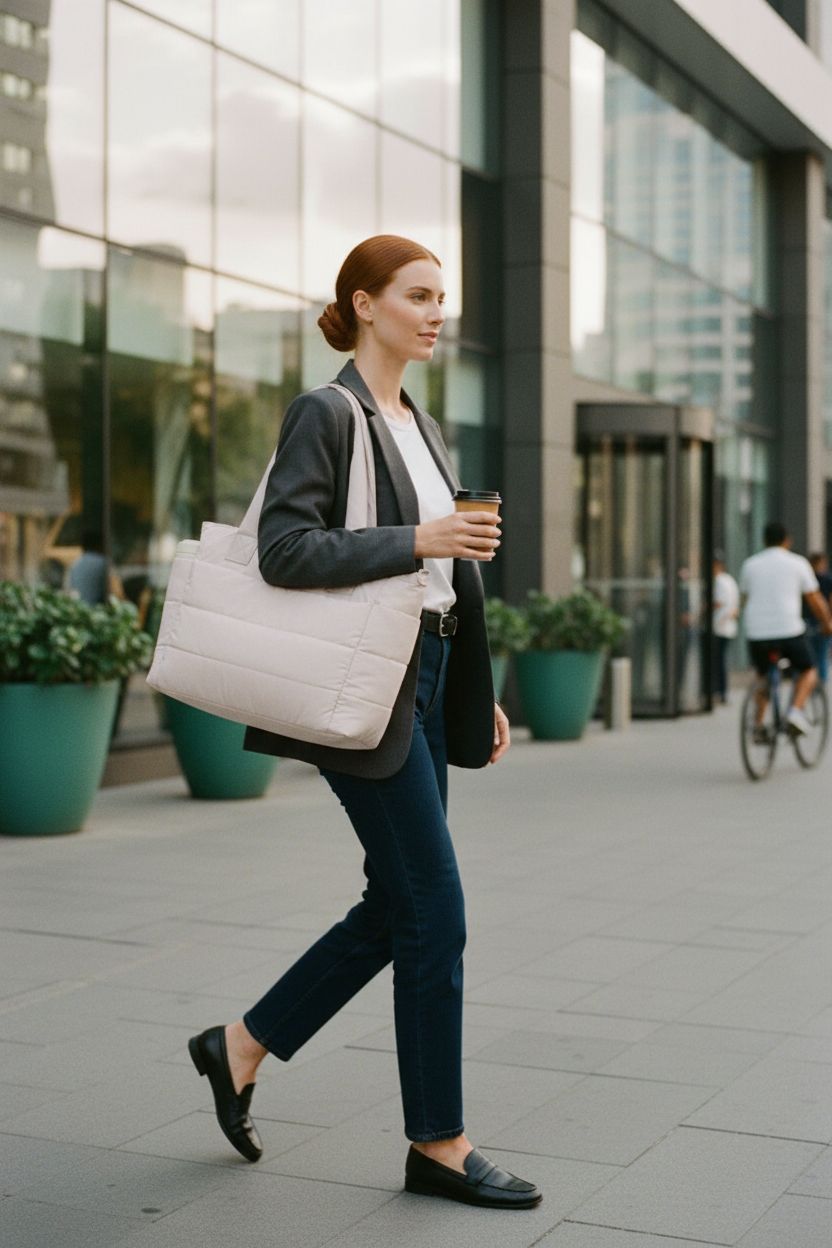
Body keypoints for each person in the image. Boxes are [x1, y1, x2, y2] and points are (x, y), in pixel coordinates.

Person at [187, 236, 542, 1210]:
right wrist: (420, 536)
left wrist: (477, 689)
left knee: (396, 906)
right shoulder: (327, 411)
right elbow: (286, 549)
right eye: (418, 296)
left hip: (421, 677)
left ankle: (241, 1045)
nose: (436, 313)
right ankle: (438, 1143)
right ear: (365, 304)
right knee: (436, 911)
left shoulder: (411, 419)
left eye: (443, 298)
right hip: (363, 688)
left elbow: (440, 577)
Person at [739, 521, 832, 737]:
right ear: (787, 540)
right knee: (809, 670)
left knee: (763, 675)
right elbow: (814, 599)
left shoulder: (750, 565)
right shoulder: (798, 563)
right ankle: (795, 711)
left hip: (757, 632)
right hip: (789, 630)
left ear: (764, 540)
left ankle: (758, 725)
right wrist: (827, 623)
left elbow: (743, 599)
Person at [712, 551, 739, 704]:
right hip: (727, 627)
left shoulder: (720, 581)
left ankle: (718, 691)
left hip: (719, 626)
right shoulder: (730, 581)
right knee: (721, 661)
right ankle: (721, 692)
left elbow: (719, 602)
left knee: (717, 662)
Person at [803, 552, 832, 682]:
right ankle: (821, 683)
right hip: (822, 620)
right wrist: (828, 620)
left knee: (808, 656)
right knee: (822, 655)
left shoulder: (806, 578)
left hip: (806, 621)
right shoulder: (827, 579)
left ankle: (811, 682)